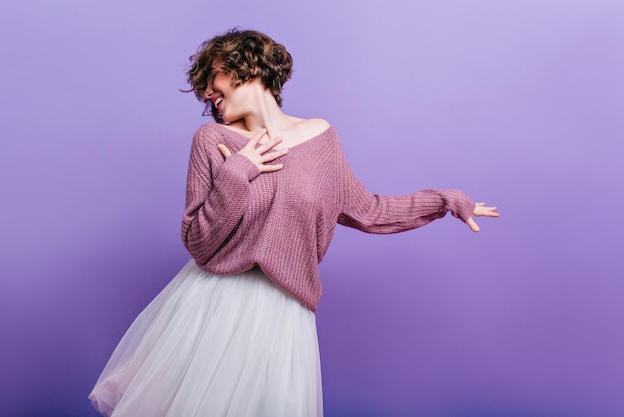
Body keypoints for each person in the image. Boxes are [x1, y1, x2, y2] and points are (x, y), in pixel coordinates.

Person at [89, 29, 499, 417]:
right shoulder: (211, 141)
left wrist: (445, 200)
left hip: (284, 314)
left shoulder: (321, 138)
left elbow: (368, 210)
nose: (208, 94)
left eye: (214, 79)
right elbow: (198, 242)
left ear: (247, 68)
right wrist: (238, 173)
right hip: (214, 306)